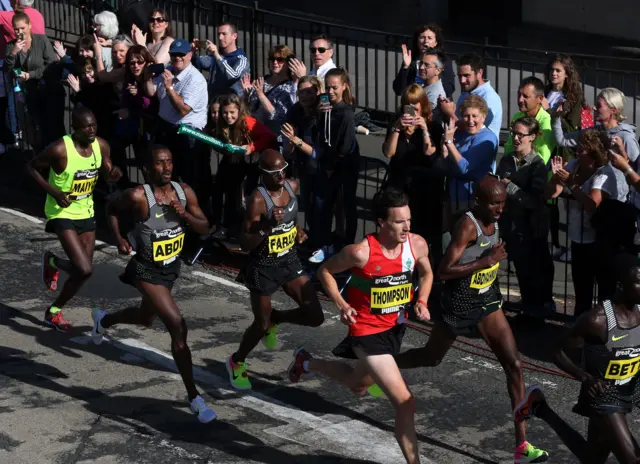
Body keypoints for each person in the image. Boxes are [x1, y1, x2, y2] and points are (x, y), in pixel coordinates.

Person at [392, 176, 549, 463]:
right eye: (494, 203)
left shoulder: (497, 219)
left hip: (487, 300)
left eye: (502, 203)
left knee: (514, 365)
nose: (499, 209)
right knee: (431, 357)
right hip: (460, 303)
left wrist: (489, 265)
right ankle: (384, 367)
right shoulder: (467, 225)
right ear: (478, 202)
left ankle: (522, 447)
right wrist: (485, 261)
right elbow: (444, 271)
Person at [288, 187, 433, 464]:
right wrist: (342, 305)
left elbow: (426, 272)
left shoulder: (416, 245)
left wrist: (423, 300)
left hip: (394, 328)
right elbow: (325, 271)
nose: (407, 227)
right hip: (366, 332)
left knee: (358, 385)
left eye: (409, 220)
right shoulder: (361, 253)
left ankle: (306, 362)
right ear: (381, 222)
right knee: (405, 402)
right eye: (399, 221)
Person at [90, 146, 217, 423]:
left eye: (170, 161)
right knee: (177, 324)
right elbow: (110, 207)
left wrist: (185, 215)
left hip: (170, 268)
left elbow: (206, 227)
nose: (167, 167)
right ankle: (194, 397)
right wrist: (119, 238)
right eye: (160, 163)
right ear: (147, 170)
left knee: (145, 317)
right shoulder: (138, 196)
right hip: (145, 270)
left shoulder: (184, 192)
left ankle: (103, 320)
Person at [514, 253, 640, 464]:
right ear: (621, 285)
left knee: (592, 458)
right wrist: (585, 378)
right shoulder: (597, 320)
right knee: (633, 459)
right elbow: (555, 350)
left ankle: (539, 407)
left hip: (629, 391)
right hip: (603, 396)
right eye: (638, 282)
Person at [226, 149, 324, 390]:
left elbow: (291, 221)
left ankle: (278, 318)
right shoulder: (257, 200)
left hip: (289, 260)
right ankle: (236, 361)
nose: (281, 176)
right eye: (274, 173)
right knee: (260, 325)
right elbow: (245, 243)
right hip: (263, 265)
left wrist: (297, 232)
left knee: (315, 316)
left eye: (283, 170)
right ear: (263, 174)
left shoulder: (292, 186)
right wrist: (267, 225)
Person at [27, 107, 121, 331]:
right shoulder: (60, 149)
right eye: (86, 127)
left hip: (86, 210)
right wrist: (55, 193)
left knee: (83, 272)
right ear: (75, 129)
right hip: (62, 211)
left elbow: (109, 171)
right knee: (84, 269)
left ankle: (54, 309)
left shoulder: (101, 145)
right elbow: (31, 167)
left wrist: (114, 174)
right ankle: (54, 266)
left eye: (94, 125)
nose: (91, 130)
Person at [545, 132, 631, 315]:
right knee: (582, 292)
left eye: (582, 149)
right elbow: (550, 194)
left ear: (593, 154)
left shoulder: (605, 173)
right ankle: (579, 333)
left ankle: (604, 334)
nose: (577, 151)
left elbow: (592, 203)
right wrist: (556, 178)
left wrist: (571, 184)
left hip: (601, 242)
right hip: (578, 241)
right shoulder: (574, 166)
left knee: (605, 295)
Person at [497, 117, 555, 317]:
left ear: (532, 137)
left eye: (521, 135)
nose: (516, 138)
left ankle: (533, 314)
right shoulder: (506, 160)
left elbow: (533, 201)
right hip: (508, 224)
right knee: (511, 269)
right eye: (514, 133)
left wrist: (509, 186)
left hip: (528, 228)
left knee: (529, 273)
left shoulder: (536, 165)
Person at [308, 68, 360, 263]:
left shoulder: (346, 112)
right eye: (328, 87)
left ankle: (345, 244)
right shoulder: (324, 106)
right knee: (323, 204)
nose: (330, 92)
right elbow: (317, 133)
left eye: (334, 87)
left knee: (345, 206)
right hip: (327, 163)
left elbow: (346, 144)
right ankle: (324, 244)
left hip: (343, 165)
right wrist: (318, 115)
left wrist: (333, 163)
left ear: (344, 86)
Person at [439, 53, 502, 139]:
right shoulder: (466, 92)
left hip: (478, 148)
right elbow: (458, 120)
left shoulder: (490, 98)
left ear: (479, 73)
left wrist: (449, 112)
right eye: (459, 76)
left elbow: (471, 126)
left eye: (467, 75)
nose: (462, 80)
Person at [393, 23, 455, 98]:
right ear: (417, 41)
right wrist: (405, 67)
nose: (426, 41)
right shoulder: (411, 60)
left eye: (429, 38)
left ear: (436, 43)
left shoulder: (444, 60)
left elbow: (449, 89)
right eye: (422, 37)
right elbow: (398, 90)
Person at [503, 76, 555, 165]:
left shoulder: (546, 121)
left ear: (540, 99)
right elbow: (509, 147)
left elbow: (542, 158)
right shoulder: (517, 116)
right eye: (519, 95)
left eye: (525, 96)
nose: (520, 100)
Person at [192, 22, 249, 98]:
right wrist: (192, 53)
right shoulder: (217, 56)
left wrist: (217, 55)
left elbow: (233, 76)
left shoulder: (241, 59)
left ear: (234, 36)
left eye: (224, 34)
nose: (220, 37)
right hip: (214, 105)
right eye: (218, 34)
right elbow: (198, 62)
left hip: (232, 106)